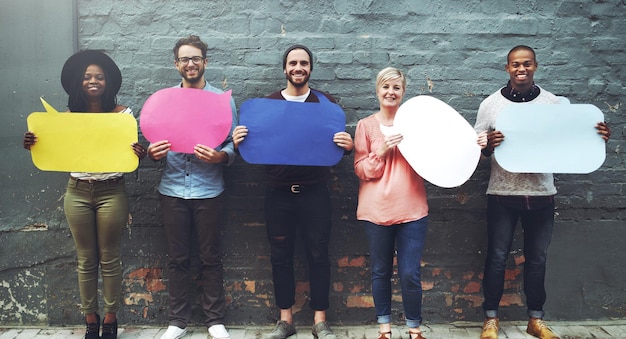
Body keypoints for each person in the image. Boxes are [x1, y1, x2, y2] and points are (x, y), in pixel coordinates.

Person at [474, 45, 611, 339]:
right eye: (514, 65)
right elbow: (477, 153)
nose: (520, 69)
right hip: (502, 194)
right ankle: (491, 319)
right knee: (497, 257)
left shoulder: (553, 104)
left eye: (526, 64)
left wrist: (596, 137)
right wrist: (488, 145)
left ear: (535, 66)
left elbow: (570, 143)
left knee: (537, 259)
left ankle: (535, 319)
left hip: (541, 194)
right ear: (507, 68)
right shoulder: (490, 105)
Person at [353, 67, 488, 339]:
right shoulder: (365, 126)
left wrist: (476, 144)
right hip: (375, 211)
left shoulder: (419, 126)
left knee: (410, 273)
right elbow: (361, 171)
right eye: (385, 87)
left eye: (396, 88)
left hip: (412, 211)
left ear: (403, 92)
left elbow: (447, 149)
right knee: (380, 271)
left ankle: (414, 329)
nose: (391, 92)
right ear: (377, 90)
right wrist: (380, 151)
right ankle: (384, 329)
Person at [232, 44, 353, 339]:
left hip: (315, 193)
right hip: (278, 193)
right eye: (293, 63)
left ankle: (320, 321)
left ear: (310, 68)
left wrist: (348, 147)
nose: (298, 68)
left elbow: (336, 147)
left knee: (318, 254)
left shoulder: (326, 105)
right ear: (284, 68)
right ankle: (285, 320)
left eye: (304, 63)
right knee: (280, 256)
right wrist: (239, 140)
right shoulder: (268, 105)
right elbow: (254, 146)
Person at [23, 50, 146, 339]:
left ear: (108, 82)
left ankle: (111, 320)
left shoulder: (123, 115)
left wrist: (137, 152)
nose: (93, 81)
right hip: (77, 191)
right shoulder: (65, 118)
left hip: (112, 190)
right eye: (88, 77)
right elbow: (53, 150)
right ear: (79, 82)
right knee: (85, 259)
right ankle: (91, 319)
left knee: (111, 258)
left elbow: (127, 151)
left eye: (99, 77)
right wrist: (34, 143)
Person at [146, 35, 237, 339]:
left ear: (205, 62)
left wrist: (220, 156)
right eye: (184, 59)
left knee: (211, 257)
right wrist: (153, 153)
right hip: (172, 189)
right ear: (176, 64)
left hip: (209, 189)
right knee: (177, 259)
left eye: (195, 58)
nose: (190, 63)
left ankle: (214, 321)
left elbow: (231, 146)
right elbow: (154, 141)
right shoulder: (164, 100)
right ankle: (177, 322)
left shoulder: (222, 100)